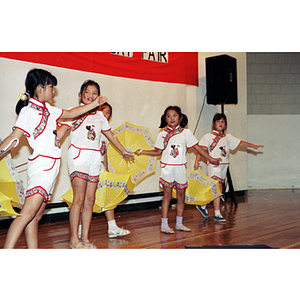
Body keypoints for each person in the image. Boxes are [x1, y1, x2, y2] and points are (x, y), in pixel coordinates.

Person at [0, 68, 107, 249]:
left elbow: (72, 114)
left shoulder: (48, 109)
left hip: (51, 167)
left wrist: (95, 103)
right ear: (39, 88)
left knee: (36, 216)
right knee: (26, 214)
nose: (53, 91)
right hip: (42, 167)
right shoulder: (29, 112)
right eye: (51, 87)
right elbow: (14, 137)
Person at [57, 81, 134, 249]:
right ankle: (73, 240)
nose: (90, 95)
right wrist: (53, 143)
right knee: (78, 199)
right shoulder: (74, 111)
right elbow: (61, 132)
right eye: (87, 92)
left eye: (94, 93)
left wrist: (123, 151)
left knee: (90, 200)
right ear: (80, 94)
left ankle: (85, 239)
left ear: (98, 96)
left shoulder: (100, 116)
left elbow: (111, 136)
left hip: (94, 159)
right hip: (78, 156)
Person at [135, 106, 220, 234]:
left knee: (181, 196)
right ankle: (164, 225)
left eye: (174, 115)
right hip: (167, 168)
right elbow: (158, 152)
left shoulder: (186, 133)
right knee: (167, 197)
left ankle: (179, 223)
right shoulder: (162, 134)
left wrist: (211, 158)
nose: (171, 118)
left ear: (180, 118)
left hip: (180, 167)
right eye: (168, 116)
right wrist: (142, 151)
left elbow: (197, 147)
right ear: (165, 119)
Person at [193, 113, 264, 222]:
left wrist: (252, 145)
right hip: (214, 165)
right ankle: (217, 213)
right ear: (213, 124)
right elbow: (201, 150)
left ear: (225, 125)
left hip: (224, 166)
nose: (221, 123)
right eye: (218, 121)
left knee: (218, 190)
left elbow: (239, 142)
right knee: (217, 188)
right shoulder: (208, 136)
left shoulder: (227, 137)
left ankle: (202, 205)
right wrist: (197, 162)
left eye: (223, 122)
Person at [98, 103, 131, 238]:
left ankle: (112, 227)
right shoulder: (91, 129)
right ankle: (80, 229)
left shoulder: (106, 135)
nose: (105, 115)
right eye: (102, 111)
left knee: (108, 196)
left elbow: (103, 154)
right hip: (87, 168)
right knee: (84, 199)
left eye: (107, 113)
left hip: (99, 168)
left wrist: (106, 169)